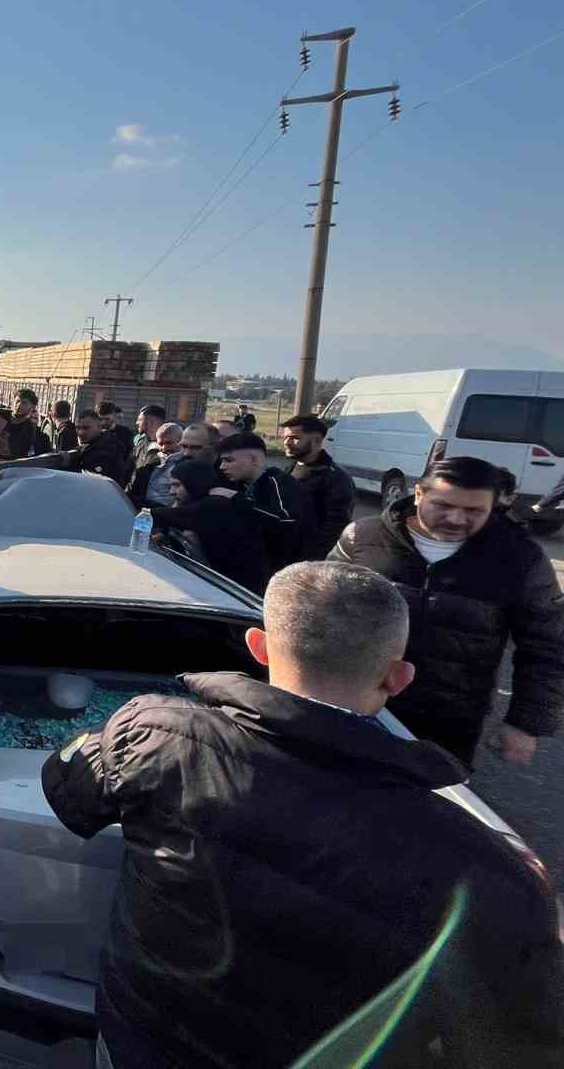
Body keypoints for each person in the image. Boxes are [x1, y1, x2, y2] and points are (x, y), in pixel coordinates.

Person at [42, 560, 564, 1069]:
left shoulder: (154, 734)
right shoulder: (487, 868)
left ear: (259, 647)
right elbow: (514, 1038)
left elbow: (68, 795)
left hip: (144, 1039)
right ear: (399, 678)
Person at [332, 456, 564, 767]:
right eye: (443, 505)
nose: (455, 519)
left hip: (449, 723)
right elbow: (320, 609)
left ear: (494, 505)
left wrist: (525, 724)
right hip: (355, 704)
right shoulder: (363, 537)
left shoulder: (520, 558)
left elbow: (548, 644)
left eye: (473, 511)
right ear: (418, 494)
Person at [149, 458, 274, 594]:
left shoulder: (215, 505)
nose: (171, 492)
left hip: (240, 592)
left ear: (193, 483)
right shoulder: (200, 504)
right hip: (223, 585)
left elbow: (162, 515)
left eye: (177, 485)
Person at [212, 431, 312, 571]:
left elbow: (287, 522)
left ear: (253, 460)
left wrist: (237, 499)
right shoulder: (240, 483)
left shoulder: (279, 482)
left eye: (229, 460)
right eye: (222, 461)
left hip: (282, 571)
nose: (222, 466)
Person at [279, 413, 355, 557]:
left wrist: (313, 558)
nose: (287, 442)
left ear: (317, 441)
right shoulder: (290, 468)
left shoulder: (336, 478)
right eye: (285, 437)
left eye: (295, 438)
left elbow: (335, 527)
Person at [69, 409, 132, 484]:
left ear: (99, 427)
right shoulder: (90, 445)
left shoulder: (109, 448)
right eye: (77, 428)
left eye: (86, 428)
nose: (81, 432)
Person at [130, 421, 183, 508]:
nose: (164, 448)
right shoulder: (149, 463)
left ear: (180, 442)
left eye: (169, 443)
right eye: (161, 444)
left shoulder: (187, 466)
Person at [0, 388, 52, 459]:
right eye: (17, 401)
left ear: (32, 407)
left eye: (24, 403)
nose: (19, 405)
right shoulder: (1, 415)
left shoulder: (30, 430)